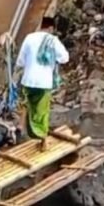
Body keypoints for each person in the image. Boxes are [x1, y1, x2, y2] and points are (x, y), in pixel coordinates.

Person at [15, 15, 69, 151]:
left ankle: (20, 130)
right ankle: (42, 140)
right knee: (42, 111)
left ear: (40, 26)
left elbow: (20, 61)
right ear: (51, 28)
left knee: (26, 105)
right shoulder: (52, 40)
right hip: (44, 82)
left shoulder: (29, 38)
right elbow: (64, 58)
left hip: (28, 80)